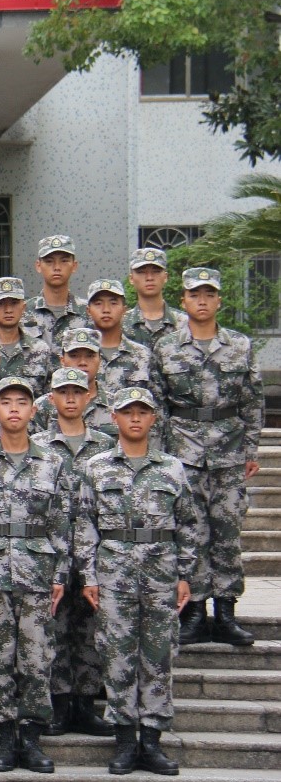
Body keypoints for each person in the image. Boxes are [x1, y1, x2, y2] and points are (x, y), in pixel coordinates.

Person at [78, 386, 197, 777]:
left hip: (161, 575)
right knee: (117, 655)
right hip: (114, 575)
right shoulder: (96, 467)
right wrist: (89, 574)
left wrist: (185, 574)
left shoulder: (172, 468)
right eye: (127, 412)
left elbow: (189, 524)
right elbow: (85, 525)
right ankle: (125, 740)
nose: (134, 418)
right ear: (114, 417)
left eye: (142, 412)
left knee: (158, 655)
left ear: (153, 418)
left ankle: (152, 739)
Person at [0, 376, 71, 774]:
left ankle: (33, 736)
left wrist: (61, 574)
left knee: (37, 657)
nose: (15, 409)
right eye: (6, 402)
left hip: (38, 572)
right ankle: (4, 736)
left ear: (34, 410)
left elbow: (60, 523)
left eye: (22, 402)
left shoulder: (52, 462)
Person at [152, 267, 262, 646]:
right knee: (191, 532)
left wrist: (250, 449)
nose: (202, 301)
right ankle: (195, 612)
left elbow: (252, 401)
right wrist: (161, 456)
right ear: (183, 300)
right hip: (183, 451)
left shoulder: (240, 346)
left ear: (219, 301)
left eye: (209, 294)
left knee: (227, 533)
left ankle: (226, 613)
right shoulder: (166, 347)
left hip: (229, 451)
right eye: (195, 294)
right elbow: (158, 405)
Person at [31, 367, 115, 738]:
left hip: (95, 549)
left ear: (88, 397)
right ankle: (59, 701)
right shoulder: (37, 445)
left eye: (77, 392)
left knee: (90, 628)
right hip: (51, 548)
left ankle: (85, 702)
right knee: (54, 625)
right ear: (51, 398)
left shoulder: (106, 445)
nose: (70, 398)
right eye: (63, 392)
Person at [85, 279, 155, 394]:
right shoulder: (78, 356)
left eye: (113, 303)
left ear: (124, 309)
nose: (106, 310)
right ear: (88, 310)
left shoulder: (143, 355)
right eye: (98, 303)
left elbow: (155, 401)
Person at [0, 278, 54, 398]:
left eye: (14, 303)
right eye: (0, 303)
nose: (8, 310)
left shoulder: (40, 349)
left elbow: (49, 398)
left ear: (23, 307)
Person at [27, 236, 89, 348]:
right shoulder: (23, 312)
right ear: (38, 266)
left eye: (64, 261)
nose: (57, 267)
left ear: (74, 266)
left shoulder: (89, 312)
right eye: (49, 261)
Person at [123, 248, 186, 349]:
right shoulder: (120, 324)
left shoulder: (185, 323)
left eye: (156, 272)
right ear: (131, 279)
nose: (149, 278)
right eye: (141, 272)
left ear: (165, 277)